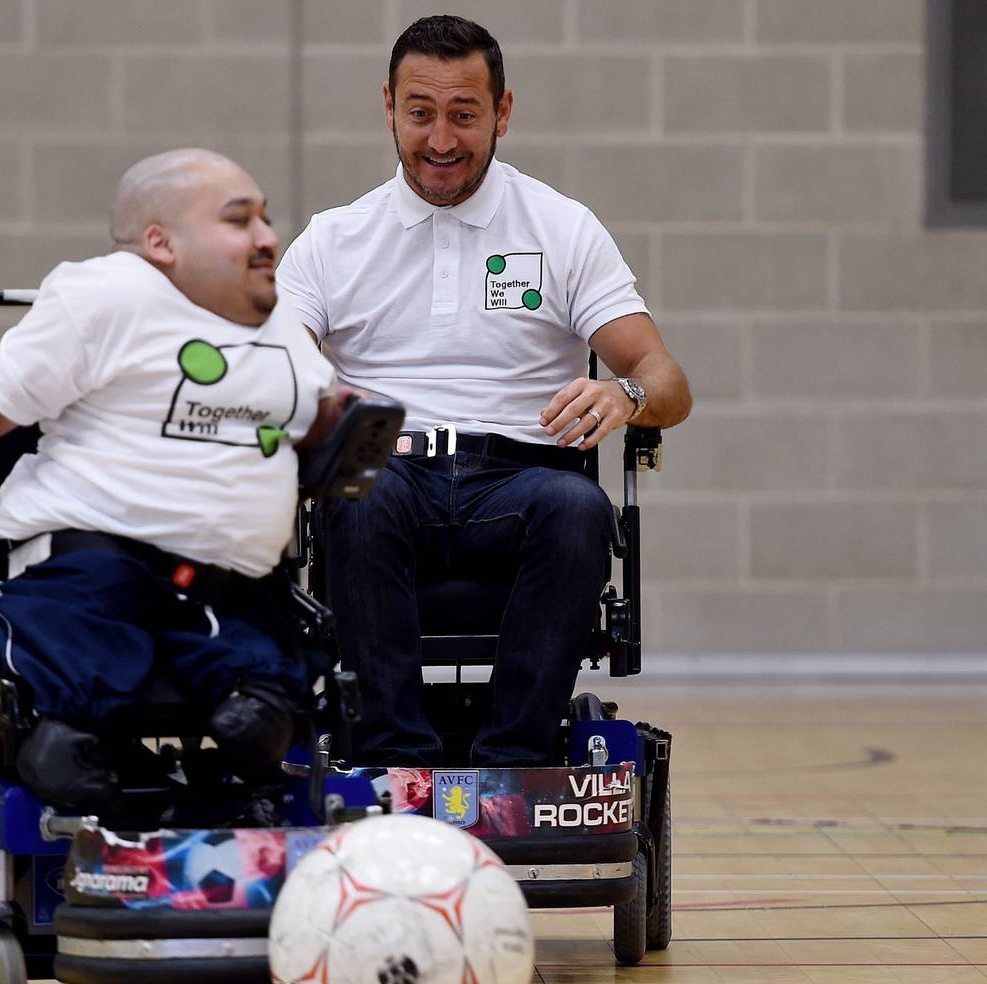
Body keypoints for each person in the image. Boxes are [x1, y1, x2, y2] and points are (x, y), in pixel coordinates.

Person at [276, 15, 693, 767]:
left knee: (578, 508)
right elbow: (274, 364)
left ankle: (517, 762)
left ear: (502, 112)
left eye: (464, 115)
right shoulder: (333, 240)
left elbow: (667, 379)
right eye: (421, 113)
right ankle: (393, 761)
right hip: (387, 469)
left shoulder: (563, 229)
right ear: (389, 107)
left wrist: (626, 393)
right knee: (355, 497)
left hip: (524, 478)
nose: (441, 140)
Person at [0, 148, 340, 809]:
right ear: (160, 242)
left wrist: (345, 426)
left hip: (220, 579)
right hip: (94, 556)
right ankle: (66, 730)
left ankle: (259, 705)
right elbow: (9, 388)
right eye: (240, 221)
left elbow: (314, 418)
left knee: (268, 645)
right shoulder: (108, 293)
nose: (268, 237)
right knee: (84, 612)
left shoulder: (277, 322)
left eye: (267, 220)